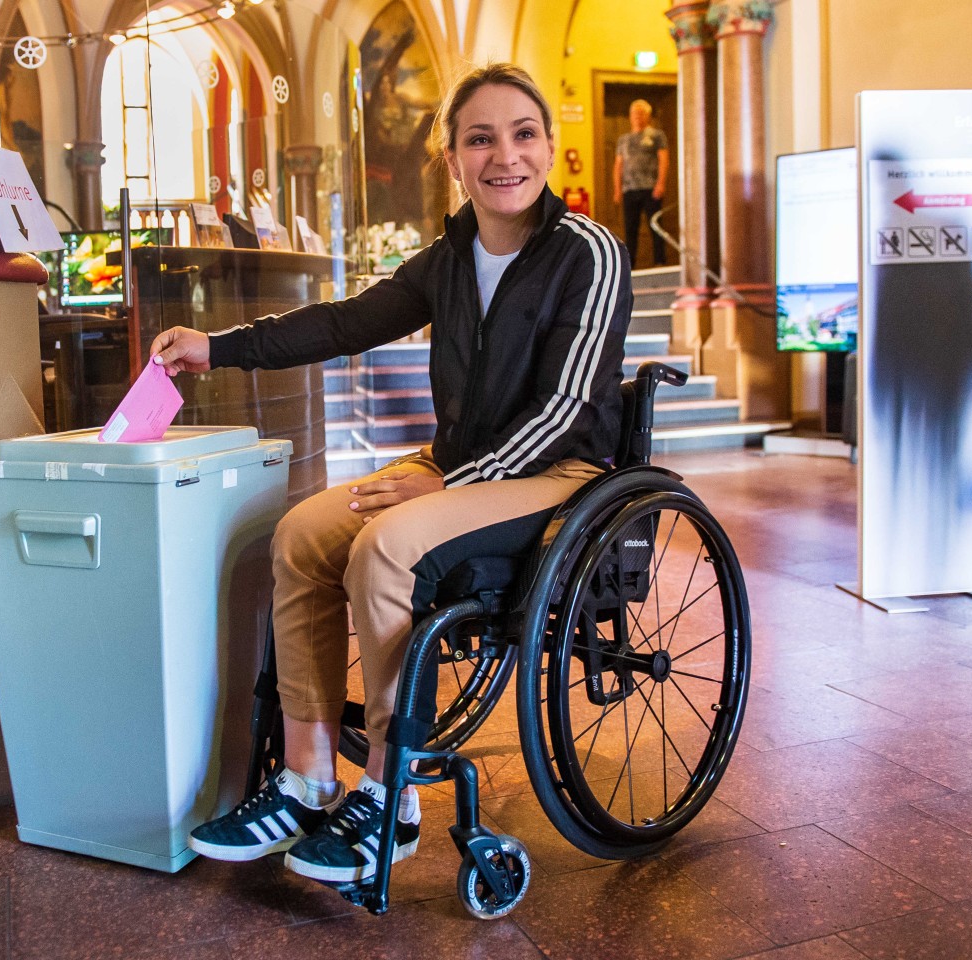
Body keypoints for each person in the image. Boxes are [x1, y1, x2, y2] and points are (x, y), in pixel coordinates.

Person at [150, 63, 632, 886]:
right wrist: (217, 346)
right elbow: (343, 324)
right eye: (480, 138)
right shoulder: (445, 260)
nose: (503, 155)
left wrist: (449, 483)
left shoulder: (587, 252)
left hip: (560, 473)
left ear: (549, 146)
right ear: (453, 159)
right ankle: (306, 777)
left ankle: (389, 793)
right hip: (458, 467)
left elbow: (564, 408)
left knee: (386, 544)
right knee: (302, 533)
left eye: (522, 134)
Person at [613, 99, 669, 266]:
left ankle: (660, 262)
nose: (637, 117)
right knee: (630, 229)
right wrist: (617, 189)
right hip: (629, 189)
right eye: (634, 114)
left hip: (651, 188)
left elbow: (664, 160)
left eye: (641, 113)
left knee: (655, 226)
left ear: (648, 115)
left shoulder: (657, 135)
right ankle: (630, 265)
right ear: (630, 117)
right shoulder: (623, 140)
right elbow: (618, 165)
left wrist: (661, 183)